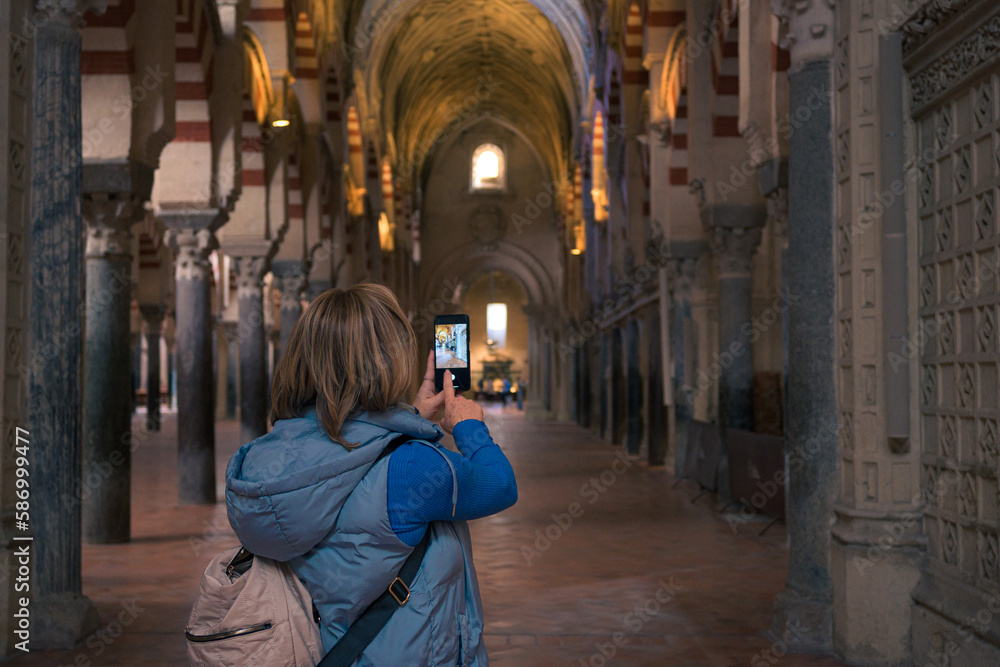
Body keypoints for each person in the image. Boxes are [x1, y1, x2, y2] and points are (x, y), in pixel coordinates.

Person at [225, 283, 517, 665]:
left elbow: (351, 449)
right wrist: (468, 427)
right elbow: (500, 484)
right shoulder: (413, 467)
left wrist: (406, 417)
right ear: (388, 360)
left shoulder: (263, 458)